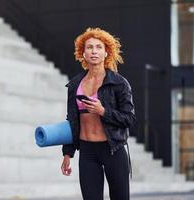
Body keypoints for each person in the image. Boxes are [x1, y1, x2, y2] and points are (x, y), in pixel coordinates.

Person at [60, 27, 136, 200]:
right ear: (83, 53)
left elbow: (129, 119)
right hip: (87, 152)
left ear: (106, 52)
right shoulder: (74, 85)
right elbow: (71, 120)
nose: (94, 51)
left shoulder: (119, 83)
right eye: (89, 47)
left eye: (98, 47)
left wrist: (103, 111)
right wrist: (67, 153)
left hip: (113, 149)